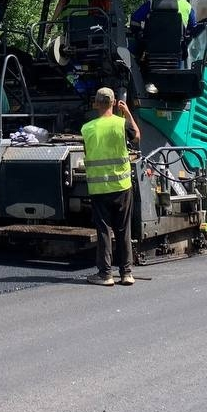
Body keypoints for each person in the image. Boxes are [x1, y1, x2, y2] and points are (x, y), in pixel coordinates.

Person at [81, 87, 142, 287]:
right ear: (115, 103)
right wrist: (126, 113)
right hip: (122, 186)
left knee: (104, 231)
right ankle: (126, 273)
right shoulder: (121, 123)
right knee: (124, 230)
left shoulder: (87, 128)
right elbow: (137, 137)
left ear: (96, 104)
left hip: (99, 188)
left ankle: (105, 275)